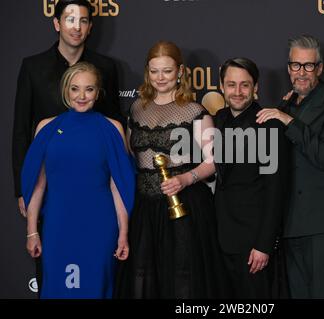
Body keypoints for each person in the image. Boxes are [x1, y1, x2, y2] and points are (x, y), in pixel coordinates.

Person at [114, 41, 228, 298]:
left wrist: (185, 179)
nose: (160, 77)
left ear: (180, 71)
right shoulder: (137, 109)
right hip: (145, 207)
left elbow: (214, 161)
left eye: (167, 71)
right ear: (147, 72)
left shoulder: (194, 111)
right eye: (154, 71)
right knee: (141, 275)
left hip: (185, 206)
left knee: (183, 278)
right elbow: (131, 154)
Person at [22, 62, 135, 298]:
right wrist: (32, 230)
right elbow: (38, 182)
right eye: (75, 89)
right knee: (57, 289)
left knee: (95, 287)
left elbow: (118, 185)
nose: (82, 96)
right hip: (58, 223)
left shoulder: (112, 128)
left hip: (99, 223)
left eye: (89, 89)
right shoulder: (47, 127)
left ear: (98, 92)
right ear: (66, 90)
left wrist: (123, 232)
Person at [256, 35, 324, 298]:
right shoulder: (285, 104)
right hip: (290, 222)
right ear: (288, 68)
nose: (301, 73)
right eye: (296, 66)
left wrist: (288, 121)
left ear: (319, 68)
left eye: (308, 66)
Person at [13, 0, 123, 218]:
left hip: (95, 184)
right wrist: (22, 188)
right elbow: (21, 131)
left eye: (83, 21)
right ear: (57, 24)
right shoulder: (32, 68)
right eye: (70, 20)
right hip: (48, 184)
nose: (77, 27)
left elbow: (113, 127)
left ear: (90, 27)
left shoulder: (106, 68)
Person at [214, 58, 289, 298]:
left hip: (253, 244)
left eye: (245, 85)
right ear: (221, 87)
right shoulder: (217, 119)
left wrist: (264, 245)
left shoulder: (270, 126)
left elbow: (275, 190)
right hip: (220, 238)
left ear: (255, 88)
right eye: (231, 84)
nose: (237, 92)